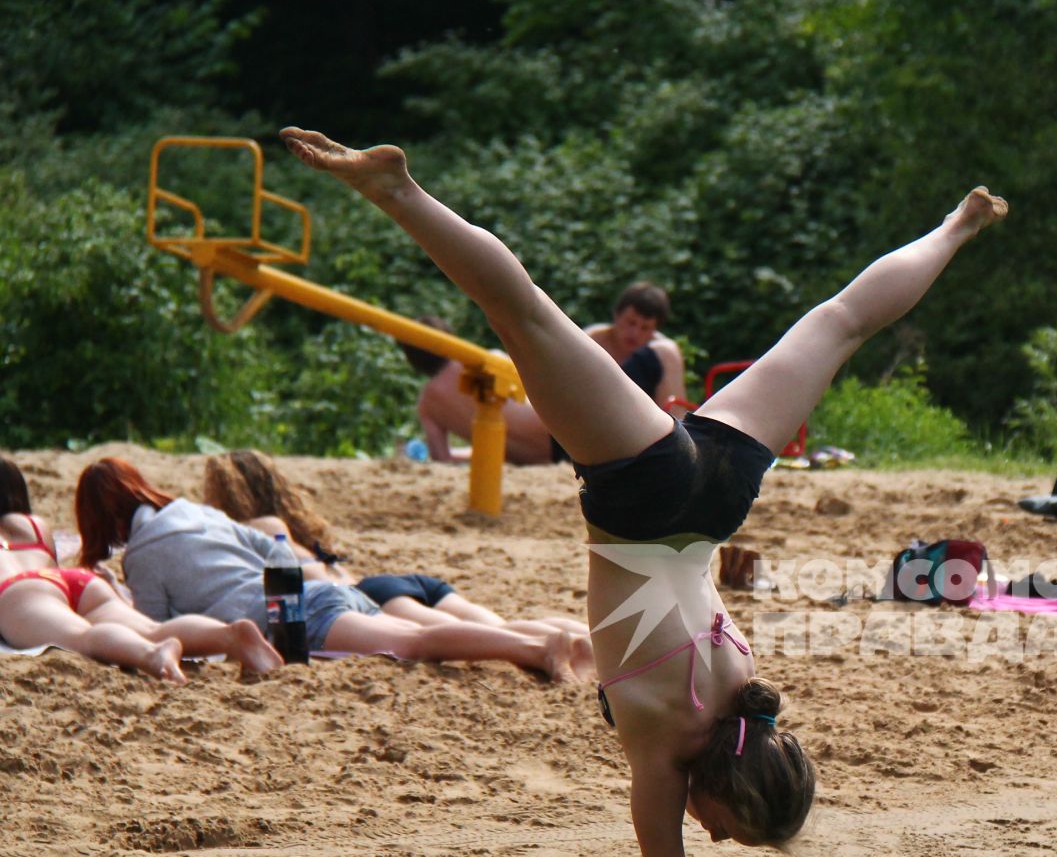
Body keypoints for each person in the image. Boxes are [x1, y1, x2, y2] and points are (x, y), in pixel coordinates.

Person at [280, 124, 1005, 857]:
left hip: (717, 492)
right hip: (640, 495)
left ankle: (954, 227)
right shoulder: (665, 753)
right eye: (723, 827)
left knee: (839, 322)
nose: (705, 835)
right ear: (723, 792)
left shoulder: (748, 695)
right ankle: (399, 192)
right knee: (526, 316)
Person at [76, 457, 584, 681]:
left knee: (414, 644)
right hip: (319, 595)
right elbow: (275, 551)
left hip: (300, 616)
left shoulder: (142, 557)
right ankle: (564, 641)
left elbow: (157, 626)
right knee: (426, 631)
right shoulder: (195, 512)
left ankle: (537, 649)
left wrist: (115, 594)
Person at [0, 458, 283, 679]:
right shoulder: (34, 524)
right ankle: (228, 635)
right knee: (150, 627)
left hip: (18, 592)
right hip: (74, 581)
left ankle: (151, 655)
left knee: (82, 637)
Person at [398, 316, 563, 465]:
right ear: (449, 338)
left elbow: (442, 459)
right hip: (562, 431)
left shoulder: (427, 406)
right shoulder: (484, 361)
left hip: (536, 460)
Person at [588, 282, 689, 413]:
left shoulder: (663, 356)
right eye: (631, 322)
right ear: (616, 315)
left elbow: (677, 412)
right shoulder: (591, 340)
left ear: (654, 330)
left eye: (645, 328)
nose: (635, 333)